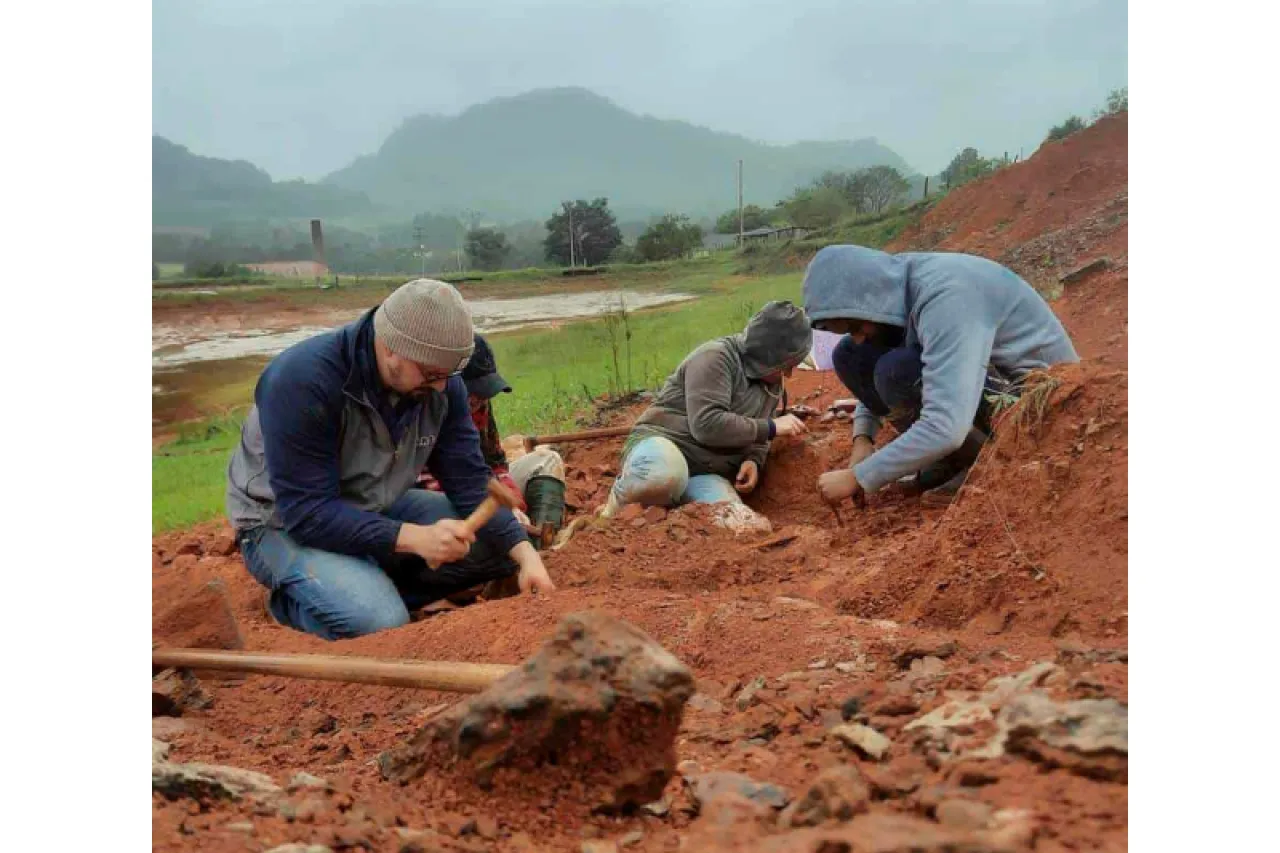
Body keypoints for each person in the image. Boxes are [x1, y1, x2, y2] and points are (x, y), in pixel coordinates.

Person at [225, 279, 555, 641]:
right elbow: (307, 514)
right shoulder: (302, 381)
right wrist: (413, 538)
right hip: (280, 523)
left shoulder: (441, 382)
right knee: (379, 622)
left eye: (448, 376)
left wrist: (525, 555)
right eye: (431, 374)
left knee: (501, 546)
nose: (442, 387)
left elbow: (466, 475)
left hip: (372, 505)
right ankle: (298, 604)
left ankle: (365, 581)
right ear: (390, 348)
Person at [801, 244, 1079, 507]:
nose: (858, 337)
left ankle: (986, 461)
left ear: (871, 299)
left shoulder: (946, 297)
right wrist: (863, 439)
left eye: (855, 326)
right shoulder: (895, 285)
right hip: (987, 376)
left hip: (1037, 405)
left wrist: (857, 477)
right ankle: (953, 457)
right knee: (850, 355)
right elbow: (869, 358)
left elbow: (946, 424)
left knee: (896, 371)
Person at [601, 300, 813, 518]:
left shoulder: (772, 382)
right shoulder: (715, 358)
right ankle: (612, 513)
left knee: (742, 525)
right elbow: (707, 425)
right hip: (665, 445)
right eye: (786, 366)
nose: (788, 374)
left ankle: (671, 513)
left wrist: (753, 460)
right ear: (767, 358)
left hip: (705, 471)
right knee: (661, 479)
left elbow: (760, 433)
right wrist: (770, 427)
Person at [417, 333, 567, 543]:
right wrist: (496, 507)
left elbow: (495, 462)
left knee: (547, 460)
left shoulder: (480, 407)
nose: (479, 400)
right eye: (473, 393)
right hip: (447, 499)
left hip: (482, 486)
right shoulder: (424, 409)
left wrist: (512, 502)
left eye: (484, 393)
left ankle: (540, 541)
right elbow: (424, 482)